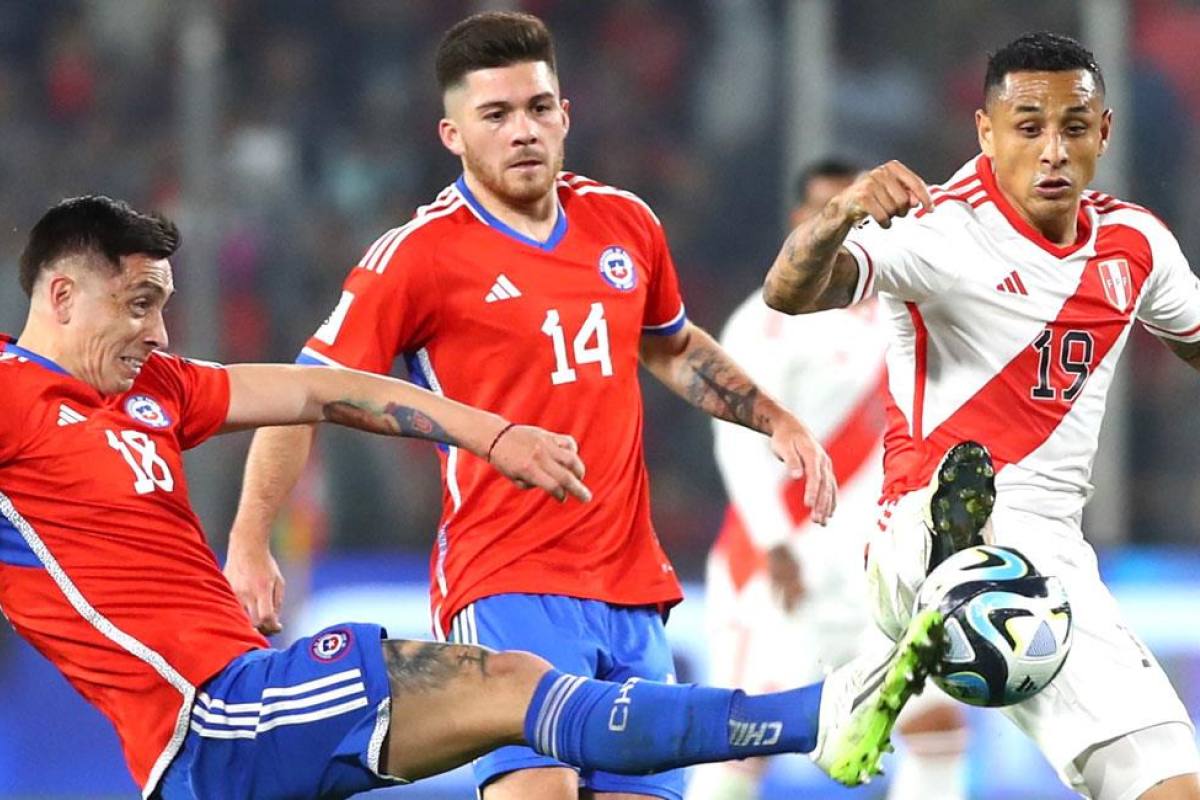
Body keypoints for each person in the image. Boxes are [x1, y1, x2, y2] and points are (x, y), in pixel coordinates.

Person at [0, 195, 946, 799]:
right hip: (211, 716)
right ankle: (818, 712)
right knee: (514, 687)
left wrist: (489, 433)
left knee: (522, 693)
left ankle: (817, 712)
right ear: (61, 297)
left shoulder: (156, 390)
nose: (160, 333)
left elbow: (324, 390)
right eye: (138, 306)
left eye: (164, 306)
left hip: (235, 721)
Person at [225, 13, 837, 800]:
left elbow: (672, 346)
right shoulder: (419, 256)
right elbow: (304, 392)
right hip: (507, 583)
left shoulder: (625, 223)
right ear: (452, 135)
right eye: (496, 114)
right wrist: (250, 540)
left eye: (538, 108)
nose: (523, 130)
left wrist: (776, 419)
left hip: (631, 587)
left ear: (565, 114)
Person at [763, 31, 1200, 800]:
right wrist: (840, 212)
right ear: (986, 132)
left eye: (1073, 127)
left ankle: (898, 663)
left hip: (1055, 552)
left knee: (1161, 781)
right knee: (972, 530)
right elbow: (790, 291)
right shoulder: (940, 231)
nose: (1053, 151)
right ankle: (951, 570)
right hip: (914, 527)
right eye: (1028, 127)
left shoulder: (1136, 245)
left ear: (1104, 132)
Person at [688, 161, 969, 800]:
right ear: (800, 222)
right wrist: (772, 543)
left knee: (936, 727)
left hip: (877, 568)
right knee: (743, 740)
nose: (849, 226)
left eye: (861, 214)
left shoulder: (904, 309)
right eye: (831, 211)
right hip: (784, 566)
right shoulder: (764, 321)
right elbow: (736, 438)